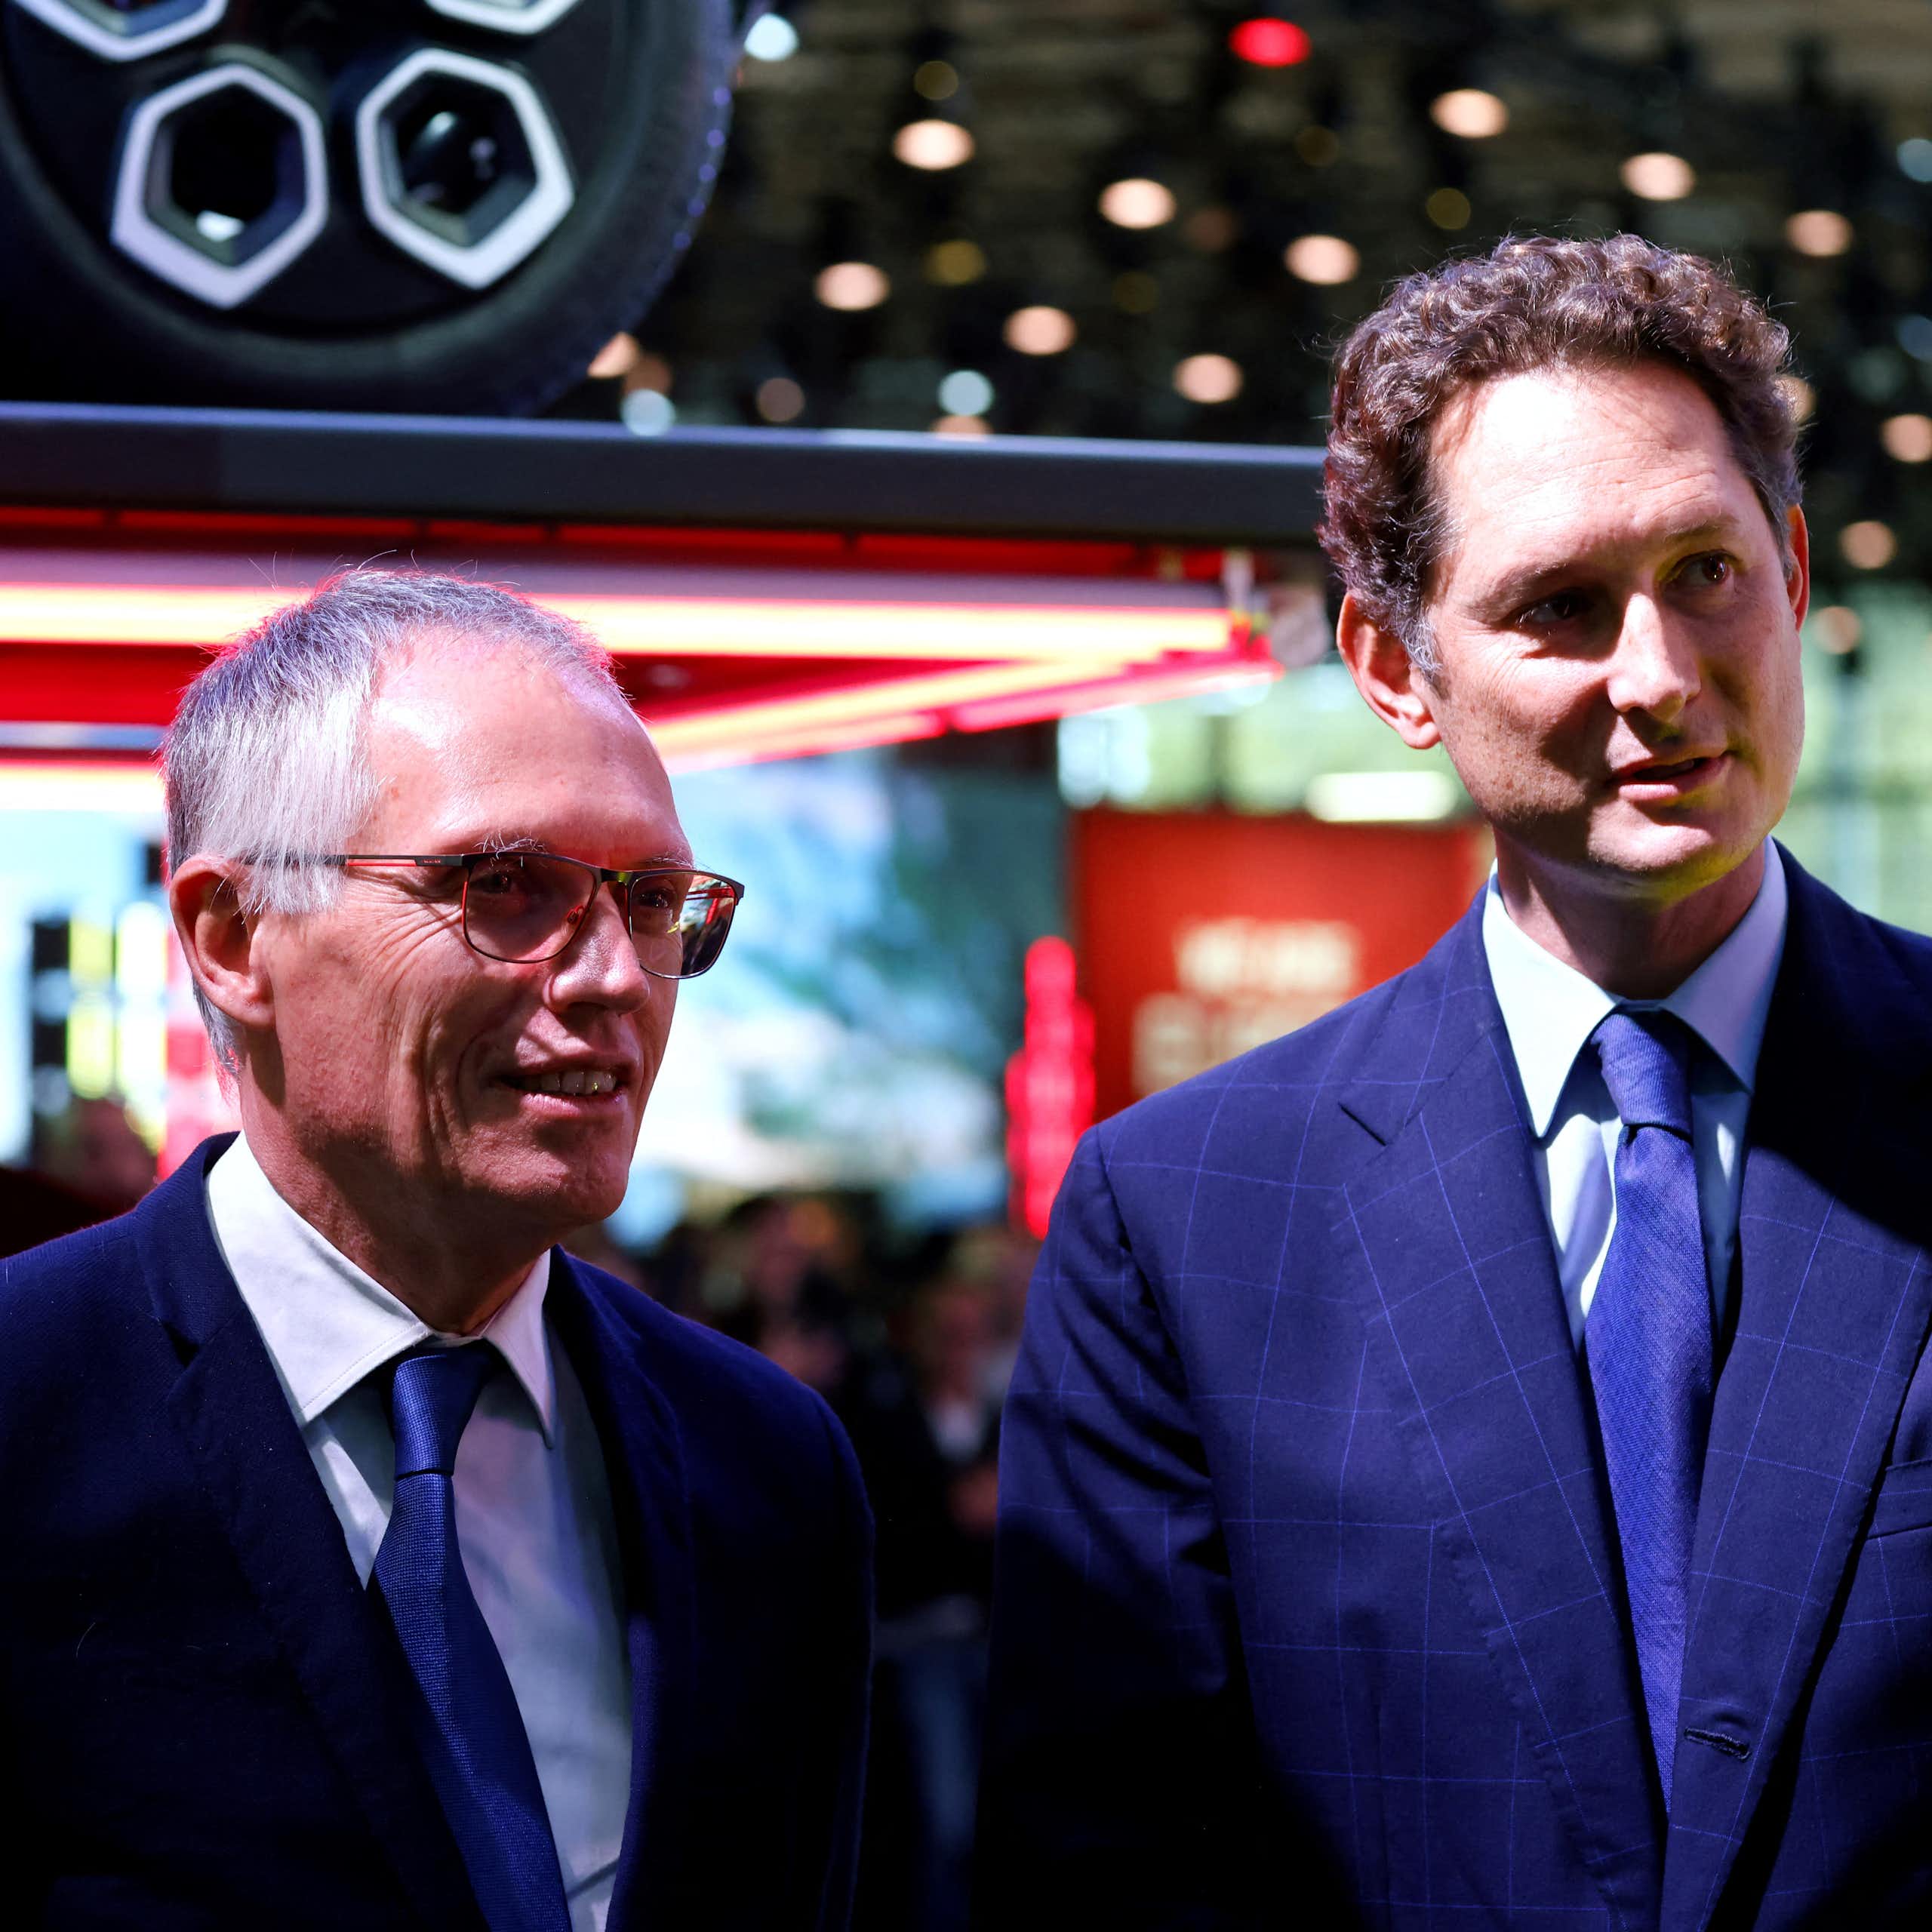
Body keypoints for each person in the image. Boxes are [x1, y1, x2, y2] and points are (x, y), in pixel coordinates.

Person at [978, 234, 1932, 1929]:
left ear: (1790, 568)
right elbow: (1107, 1863)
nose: (1653, 674)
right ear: (1390, 665)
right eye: (1557, 606)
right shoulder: (1188, 1222)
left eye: (1704, 570)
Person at [0, 571, 872, 1930]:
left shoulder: (766, 1466)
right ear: (233, 939)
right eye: (505, 886)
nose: (608, 979)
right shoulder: (26, 1408)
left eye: (650, 899)